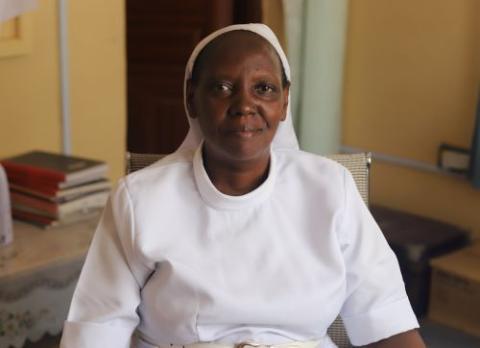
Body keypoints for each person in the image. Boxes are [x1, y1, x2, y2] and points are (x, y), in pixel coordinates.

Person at [60, 24, 425, 348]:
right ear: (191, 98)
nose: (244, 105)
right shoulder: (139, 199)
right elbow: (98, 326)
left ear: (284, 102)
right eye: (222, 87)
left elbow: (385, 317)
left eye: (263, 88)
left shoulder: (330, 188)